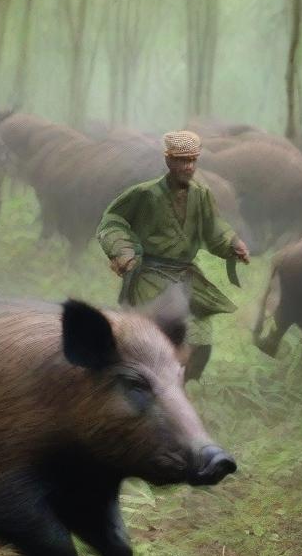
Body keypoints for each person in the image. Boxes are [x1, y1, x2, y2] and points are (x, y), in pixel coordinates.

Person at [96, 130, 250, 381]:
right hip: (149, 275)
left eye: (192, 160)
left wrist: (232, 243)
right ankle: (138, 381)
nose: (188, 166)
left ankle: (181, 383)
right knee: (148, 337)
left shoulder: (201, 195)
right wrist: (122, 250)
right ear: (168, 160)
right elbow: (112, 222)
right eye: (181, 160)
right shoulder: (144, 194)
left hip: (186, 275)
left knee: (200, 339)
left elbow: (213, 229)